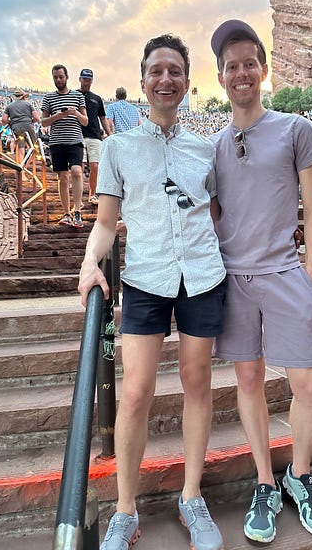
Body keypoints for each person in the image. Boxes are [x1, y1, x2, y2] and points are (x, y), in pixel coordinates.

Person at [78, 34, 226, 550]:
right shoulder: (118, 147)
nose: (166, 79)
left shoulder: (205, 149)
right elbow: (104, 222)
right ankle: (125, 509)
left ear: (188, 82)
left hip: (202, 277)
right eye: (156, 71)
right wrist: (89, 262)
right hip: (144, 279)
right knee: (137, 391)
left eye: (175, 72)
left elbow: (218, 214)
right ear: (143, 80)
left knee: (197, 382)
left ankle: (191, 496)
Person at [209, 20, 312, 543]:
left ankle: (299, 475)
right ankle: (265, 479)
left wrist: (309, 273)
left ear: (264, 69)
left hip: (285, 272)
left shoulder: (295, 129)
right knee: (248, 381)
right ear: (221, 77)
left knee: (307, 383)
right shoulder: (212, 144)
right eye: (231, 65)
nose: (241, 72)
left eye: (249, 62)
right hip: (234, 277)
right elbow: (213, 213)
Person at [41, 64, 88, 228]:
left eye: (61, 77)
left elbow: (86, 121)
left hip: (75, 140)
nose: (58, 80)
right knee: (62, 178)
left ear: (67, 77)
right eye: (55, 77)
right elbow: (43, 121)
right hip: (56, 142)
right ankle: (67, 212)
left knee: (76, 171)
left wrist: (74, 112)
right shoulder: (48, 97)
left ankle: (77, 211)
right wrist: (58, 115)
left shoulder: (77, 96)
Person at [78, 68, 112, 205]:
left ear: (91, 80)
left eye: (89, 79)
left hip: (94, 135)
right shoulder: (73, 95)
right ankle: (78, 197)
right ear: (80, 79)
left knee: (95, 166)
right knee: (78, 166)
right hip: (78, 134)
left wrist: (109, 133)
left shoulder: (96, 98)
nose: (86, 82)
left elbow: (103, 118)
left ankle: (92, 194)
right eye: (84, 79)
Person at [1, 89, 40, 164]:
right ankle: (27, 166)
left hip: (16, 127)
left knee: (20, 149)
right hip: (28, 125)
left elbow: (4, 120)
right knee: (34, 147)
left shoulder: (9, 106)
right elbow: (36, 117)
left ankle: (21, 169)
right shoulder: (28, 104)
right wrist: (31, 121)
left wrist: (12, 122)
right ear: (23, 97)